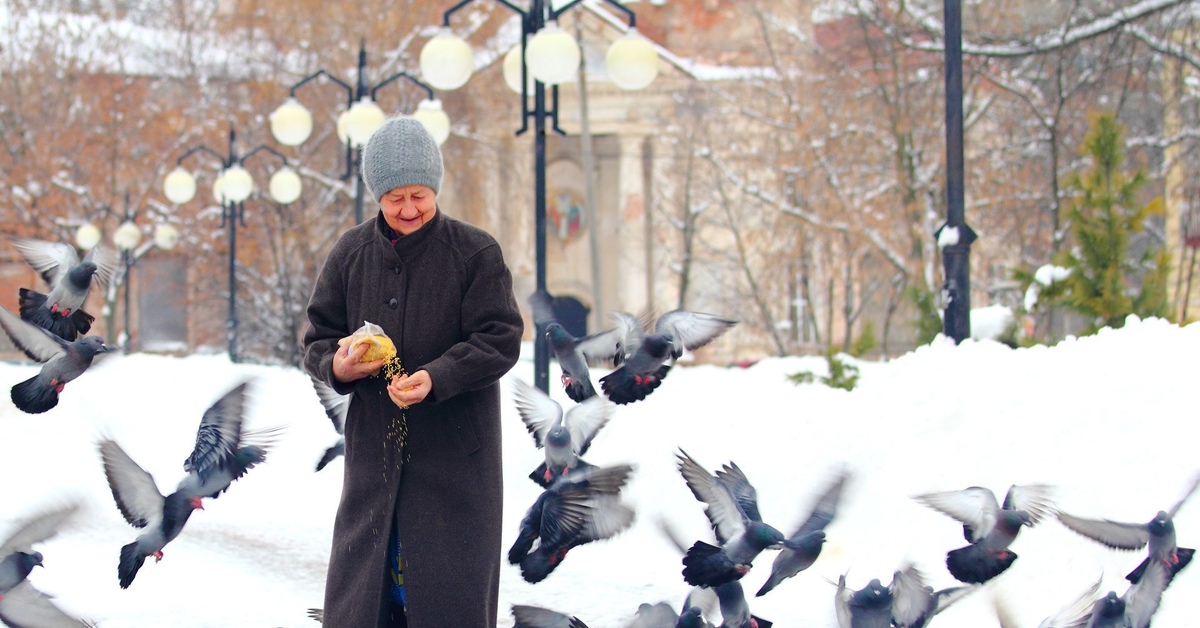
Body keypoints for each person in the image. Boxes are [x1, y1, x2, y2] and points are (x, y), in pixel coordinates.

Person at [303, 116, 524, 627]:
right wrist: (339, 363)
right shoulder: (350, 254)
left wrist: (438, 376)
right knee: (365, 604)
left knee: (447, 605)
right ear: (377, 196)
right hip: (374, 459)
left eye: (419, 195)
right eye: (394, 198)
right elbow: (317, 337)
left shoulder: (475, 253)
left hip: (456, 465)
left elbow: (501, 338)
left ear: (435, 187)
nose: (408, 210)